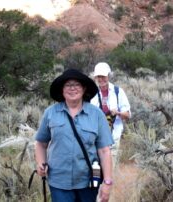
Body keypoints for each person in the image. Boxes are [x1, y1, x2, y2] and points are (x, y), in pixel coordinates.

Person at [35, 68, 114, 202]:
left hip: (88, 181)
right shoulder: (50, 113)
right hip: (59, 181)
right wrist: (40, 163)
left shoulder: (97, 114)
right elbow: (41, 143)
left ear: (83, 89)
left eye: (77, 85)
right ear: (62, 89)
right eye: (68, 85)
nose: (73, 88)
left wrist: (107, 183)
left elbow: (104, 151)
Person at [90, 62, 131, 166]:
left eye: (103, 76)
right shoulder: (91, 93)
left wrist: (117, 113)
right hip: (95, 138)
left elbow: (127, 114)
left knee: (111, 167)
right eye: (99, 76)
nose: (101, 79)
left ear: (108, 76)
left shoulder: (118, 92)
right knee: (96, 169)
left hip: (114, 137)